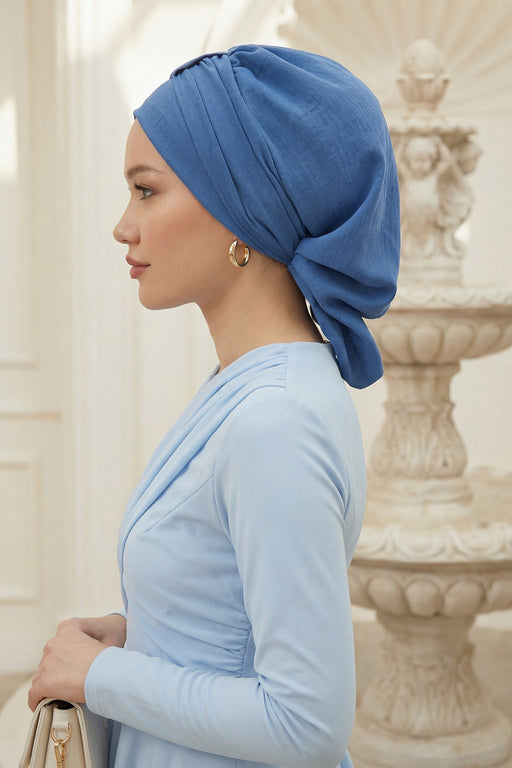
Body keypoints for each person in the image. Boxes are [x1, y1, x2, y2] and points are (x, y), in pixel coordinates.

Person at [28, 45, 400, 768]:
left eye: (146, 191)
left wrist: (100, 676)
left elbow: (306, 724)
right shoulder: (252, 386)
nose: (123, 226)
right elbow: (238, 622)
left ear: (241, 210)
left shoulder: (274, 420)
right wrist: (143, 636)